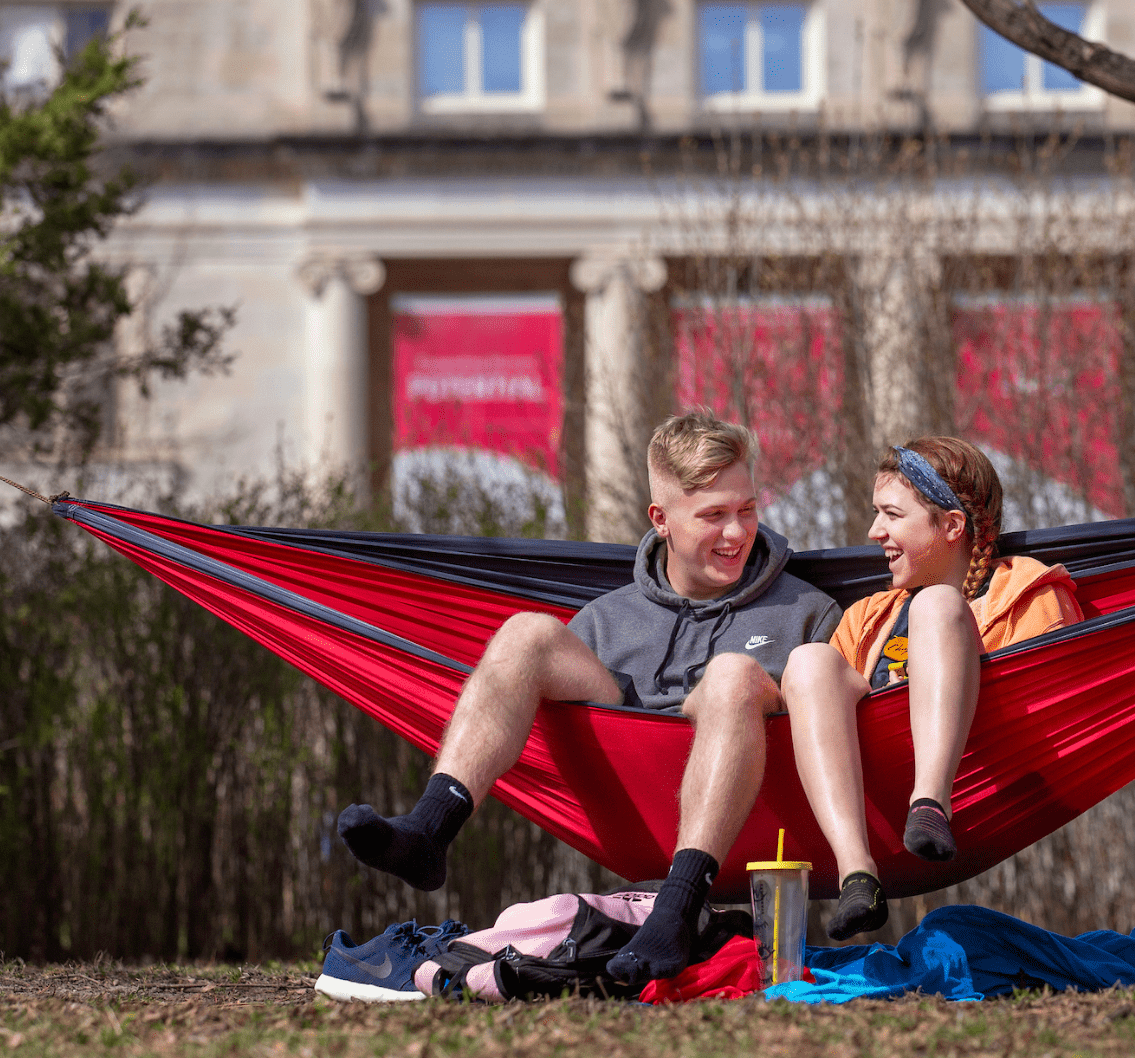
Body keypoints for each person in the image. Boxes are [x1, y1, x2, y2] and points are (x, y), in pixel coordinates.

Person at [336, 411, 842, 985]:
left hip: (754, 815)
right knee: (525, 631)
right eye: (713, 515)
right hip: (629, 800)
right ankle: (432, 827)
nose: (737, 533)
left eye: (747, 509)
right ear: (661, 520)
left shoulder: (807, 611)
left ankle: (676, 907)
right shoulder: (605, 620)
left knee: (732, 675)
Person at [781, 438, 1085, 939]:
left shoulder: (1027, 593)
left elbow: (1056, 697)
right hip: (877, 787)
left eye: (892, 515)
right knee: (809, 659)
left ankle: (931, 804)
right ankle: (857, 872)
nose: (874, 531)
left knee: (938, 605)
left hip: (983, 780)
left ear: (950, 526)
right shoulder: (868, 616)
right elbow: (820, 708)